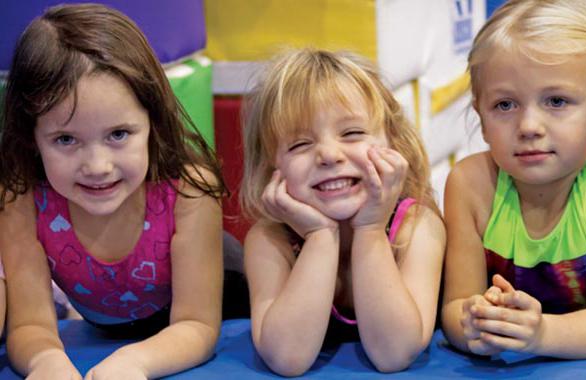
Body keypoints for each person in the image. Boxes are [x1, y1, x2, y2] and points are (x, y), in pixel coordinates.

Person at [0, 4, 226, 379]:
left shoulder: (189, 191)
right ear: (32, 137)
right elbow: (29, 327)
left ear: (152, 122)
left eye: (118, 134)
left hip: (224, 298)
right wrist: (45, 361)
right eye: (66, 139)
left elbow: (198, 324)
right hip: (101, 326)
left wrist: (134, 362)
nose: (97, 166)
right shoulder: (21, 198)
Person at [441, 0, 586, 359]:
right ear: (481, 115)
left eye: (556, 101)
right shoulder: (471, 184)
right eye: (505, 105)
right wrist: (475, 324)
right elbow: (456, 306)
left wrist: (542, 333)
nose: (529, 127)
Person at [240, 48, 446, 376]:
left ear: (395, 144)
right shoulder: (270, 240)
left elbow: (393, 354)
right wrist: (319, 237)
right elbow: (287, 358)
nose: (328, 155)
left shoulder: (417, 226)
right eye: (299, 145)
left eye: (351, 133)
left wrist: (370, 228)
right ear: (271, 168)